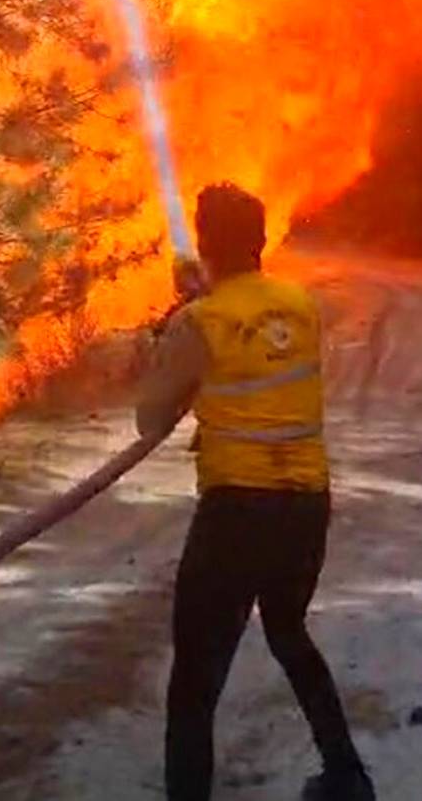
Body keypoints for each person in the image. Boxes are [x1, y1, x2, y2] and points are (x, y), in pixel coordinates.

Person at [136, 182, 374, 801]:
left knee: (194, 681)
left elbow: (150, 417)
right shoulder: (299, 304)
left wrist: (172, 328)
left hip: (236, 513)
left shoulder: (200, 320)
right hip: (306, 505)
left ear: (206, 243)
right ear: (262, 241)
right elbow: (254, 345)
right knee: (288, 631)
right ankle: (347, 777)